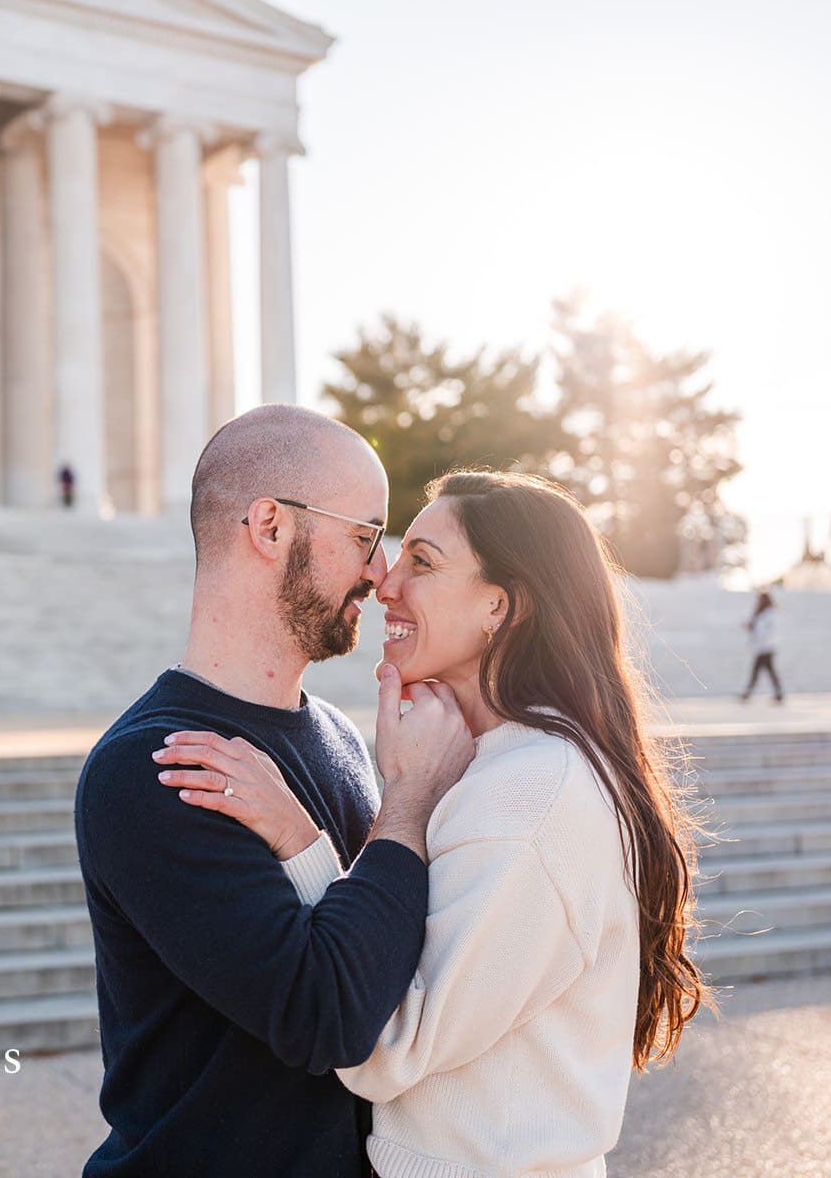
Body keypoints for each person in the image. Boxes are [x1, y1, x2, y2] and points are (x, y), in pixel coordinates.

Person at [163, 469, 711, 1177]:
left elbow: (381, 1043)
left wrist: (303, 839)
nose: (384, 582)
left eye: (423, 562)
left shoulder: (529, 795)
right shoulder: (499, 767)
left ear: (500, 608)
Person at [74, 405, 477, 1178]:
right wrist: (409, 801)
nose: (381, 572)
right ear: (269, 527)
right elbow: (328, 1017)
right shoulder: (155, 765)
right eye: (364, 536)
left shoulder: (333, 732)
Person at [740, 590, 784, 703]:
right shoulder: (760, 613)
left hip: (766, 647)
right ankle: (778, 694)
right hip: (760, 647)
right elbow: (756, 626)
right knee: (769, 671)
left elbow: (769, 631)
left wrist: (763, 640)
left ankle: (747, 694)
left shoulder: (770, 613)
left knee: (757, 671)